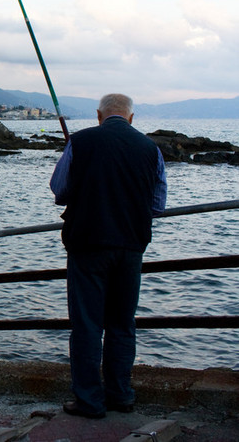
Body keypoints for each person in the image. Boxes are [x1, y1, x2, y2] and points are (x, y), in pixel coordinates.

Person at [50, 93, 167, 419]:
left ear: (99, 115)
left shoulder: (81, 141)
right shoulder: (150, 149)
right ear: (131, 118)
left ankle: (89, 401)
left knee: (87, 325)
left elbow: (59, 191)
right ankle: (121, 395)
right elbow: (157, 204)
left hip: (87, 245)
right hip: (130, 247)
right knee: (122, 324)